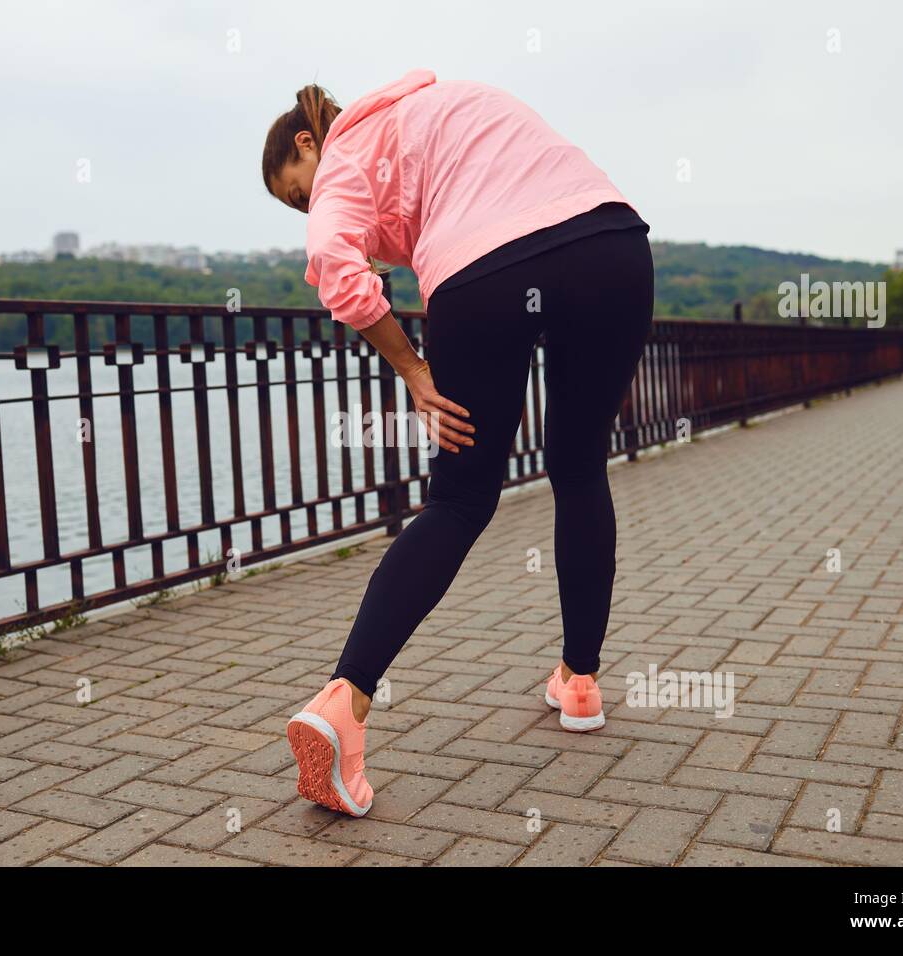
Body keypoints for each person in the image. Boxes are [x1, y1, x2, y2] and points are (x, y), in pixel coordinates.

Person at [262, 70, 653, 817]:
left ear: (309, 142)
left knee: (462, 499)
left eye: (298, 194)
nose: (307, 206)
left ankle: (344, 703)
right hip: (610, 243)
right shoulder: (449, 98)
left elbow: (336, 268)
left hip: (484, 275)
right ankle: (579, 683)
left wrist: (413, 368)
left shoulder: (343, 155)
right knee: (579, 468)